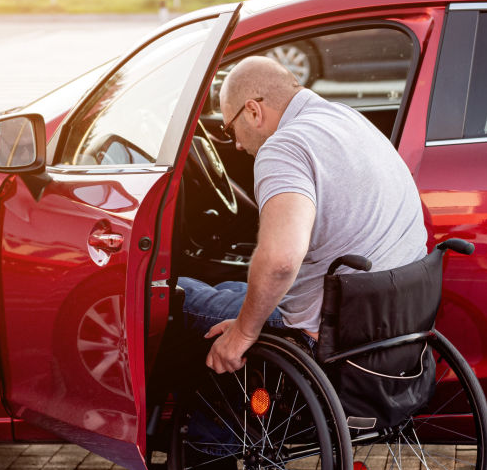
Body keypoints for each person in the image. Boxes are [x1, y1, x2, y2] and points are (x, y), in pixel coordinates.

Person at [178, 54, 428, 372]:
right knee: (231, 289)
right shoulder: (347, 118)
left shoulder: (284, 147)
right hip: (390, 317)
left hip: (328, 330)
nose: (237, 145)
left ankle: (197, 419)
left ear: (253, 111)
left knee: (176, 296)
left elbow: (281, 261)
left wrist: (241, 334)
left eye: (231, 130)